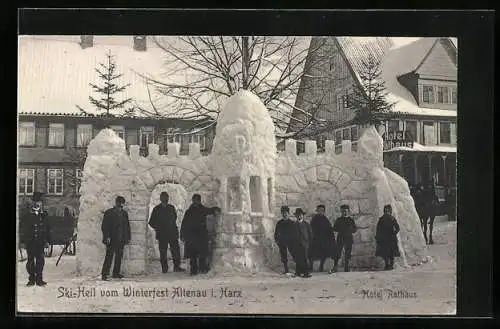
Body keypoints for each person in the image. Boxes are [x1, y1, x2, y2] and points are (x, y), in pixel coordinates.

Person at [148, 192, 185, 273]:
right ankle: (164, 268)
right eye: (163, 197)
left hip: (172, 233)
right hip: (162, 234)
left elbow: (174, 218)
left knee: (175, 250)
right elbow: (151, 222)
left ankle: (177, 267)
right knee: (163, 252)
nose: (165, 199)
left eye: (166, 197)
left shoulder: (171, 208)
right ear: (160, 199)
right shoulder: (156, 209)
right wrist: (159, 228)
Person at [20, 192, 51, 286]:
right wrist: (22, 241)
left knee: (40, 261)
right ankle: (31, 279)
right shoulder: (26, 216)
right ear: (32, 203)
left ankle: (39, 279)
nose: (37, 204)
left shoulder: (44, 215)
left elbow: (48, 229)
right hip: (30, 242)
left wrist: (47, 241)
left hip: (40, 242)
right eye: (35, 202)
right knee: (30, 261)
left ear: (41, 204)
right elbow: (23, 230)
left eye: (39, 202)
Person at [101, 196, 131, 281]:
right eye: (119, 205)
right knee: (109, 256)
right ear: (116, 203)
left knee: (119, 257)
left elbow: (127, 226)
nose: (120, 208)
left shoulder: (124, 214)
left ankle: (116, 273)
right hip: (111, 239)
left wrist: (127, 237)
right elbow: (104, 226)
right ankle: (104, 274)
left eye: (121, 206)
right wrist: (106, 237)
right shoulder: (109, 213)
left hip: (121, 238)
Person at [180, 194, 210, 275]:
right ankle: (193, 270)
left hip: (201, 235)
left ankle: (202, 268)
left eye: (197, 200)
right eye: (194, 200)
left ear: (199, 201)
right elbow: (184, 223)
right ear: (192, 201)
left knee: (202, 253)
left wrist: (215, 209)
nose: (195, 202)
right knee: (192, 255)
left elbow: (209, 210)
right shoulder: (189, 211)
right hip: (191, 236)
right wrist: (182, 234)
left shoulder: (202, 209)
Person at [309, 205, 337, 272]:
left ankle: (321, 266)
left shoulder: (325, 219)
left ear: (324, 211)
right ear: (317, 211)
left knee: (323, 253)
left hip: (324, 239)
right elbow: (311, 229)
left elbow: (329, 229)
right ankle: (310, 266)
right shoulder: (314, 219)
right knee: (312, 253)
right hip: (316, 239)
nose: (320, 211)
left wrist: (332, 238)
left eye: (322, 210)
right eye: (319, 210)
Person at [330, 204, 357, 273]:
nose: (344, 212)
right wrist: (340, 229)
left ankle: (346, 267)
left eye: (346, 211)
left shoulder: (351, 220)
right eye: (343, 211)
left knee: (348, 253)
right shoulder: (339, 220)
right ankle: (335, 267)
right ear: (341, 212)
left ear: (348, 211)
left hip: (348, 238)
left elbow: (355, 229)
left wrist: (350, 230)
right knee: (337, 253)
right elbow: (335, 228)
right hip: (341, 238)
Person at [375, 205, 401, 270]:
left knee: (391, 252)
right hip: (384, 238)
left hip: (391, 238)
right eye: (385, 211)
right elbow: (378, 229)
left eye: (388, 211)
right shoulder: (381, 219)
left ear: (390, 212)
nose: (386, 213)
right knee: (385, 253)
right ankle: (386, 264)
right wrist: (378, 236)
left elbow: (397, 227)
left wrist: (394, 233)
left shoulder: (392, 219)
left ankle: (391, 264)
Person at [274, 206, 297, 275]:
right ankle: (286, 269)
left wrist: (294, 240)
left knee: (294, 254)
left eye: (286, 213)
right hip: (282, 242)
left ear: (288, 213)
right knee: (283, 256)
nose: (285, 214)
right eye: (283, 213)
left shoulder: (292, 223)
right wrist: (277, 240)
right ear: (281, 214)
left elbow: (295, 233)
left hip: (291, 242)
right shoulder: (279, 223)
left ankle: (297, 268)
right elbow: (276, 233)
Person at [293, 208, 312, 278]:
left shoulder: (306, 224)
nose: (299, 216)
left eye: (300, 215)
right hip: (297, 244)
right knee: (298, 258)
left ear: (303, 216)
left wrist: (309, 243)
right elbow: (292, 235)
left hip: (305, 244)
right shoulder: (294, 225)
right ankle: (298, 272)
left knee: (305, 258)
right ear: (296, 216)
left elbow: (310, 234)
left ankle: (306, 272)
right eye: (297, 215)